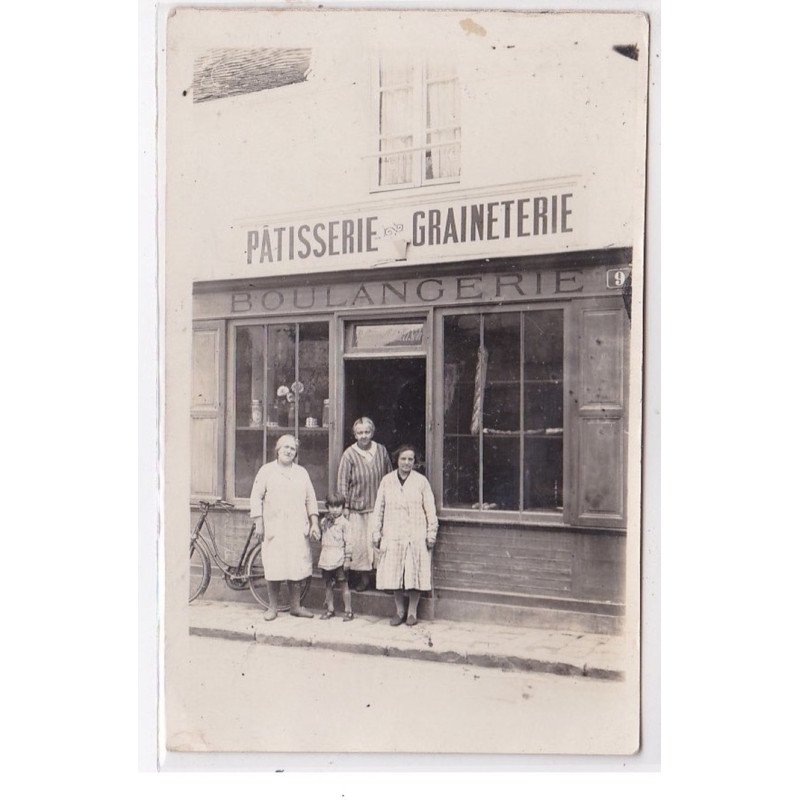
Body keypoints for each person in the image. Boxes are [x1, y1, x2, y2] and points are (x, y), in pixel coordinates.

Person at [249, 434, 320, 621]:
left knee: (296, 566)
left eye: (292, 448)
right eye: (285, 447)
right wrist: (259, 522)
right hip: (275, 527)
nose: (289, 451)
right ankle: (272, 607)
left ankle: (296, 607)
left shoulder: (301, 472)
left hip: (297, 527)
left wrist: (314, 523)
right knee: (275, 566)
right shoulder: (266, 471)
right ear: (277, 450)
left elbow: (310, 499)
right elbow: (256, 496)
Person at [371, 444, 438, 626]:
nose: (407, 462)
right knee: (395, 573)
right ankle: (399, 611)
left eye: (410, 459)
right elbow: (379, 509)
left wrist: (431, 533)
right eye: (403, 459)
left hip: (416, 534)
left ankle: (412, 612)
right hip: (392, 533)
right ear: (397, 460)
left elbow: (430, 509)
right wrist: (376, 533)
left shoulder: (421, 481)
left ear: (414, 462)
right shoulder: (387, 481)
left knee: (414, 572)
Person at [337, 417, 392, 592]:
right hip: (357, 509)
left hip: (378, 507)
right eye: (360, 433)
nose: (363, 436)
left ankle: (382, 580)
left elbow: (389, 476)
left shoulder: (381, 451)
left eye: (367, 432)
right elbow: (342, 483)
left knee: (378, 544)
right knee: (361, 545)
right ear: (355, 434)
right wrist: (344, 507)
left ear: (372, 432)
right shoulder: (349, 454)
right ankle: (365, 579)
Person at [317, 491, 354, 621]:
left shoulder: (345, 524)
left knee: (344, 584)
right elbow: (322, 538)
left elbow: (349, 542)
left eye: (338, 506)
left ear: (343, 507)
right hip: (327, 558)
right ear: (327, 507)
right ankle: (330, 609)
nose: (335, 510)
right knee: (328, 584)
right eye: (332, 506)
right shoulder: (324, 522)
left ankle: (348, 611)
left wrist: (347, 558)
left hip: (339, 558)